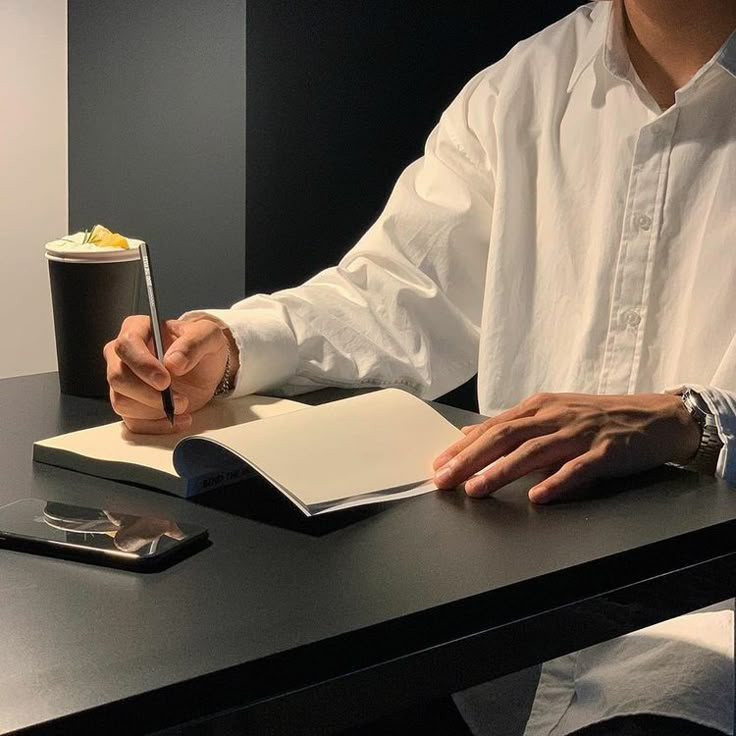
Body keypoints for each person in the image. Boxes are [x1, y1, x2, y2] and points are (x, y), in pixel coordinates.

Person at [104, 0, 736, 733]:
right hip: (500, 622)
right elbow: (398, 291)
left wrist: (695, 420)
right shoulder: (525, 86)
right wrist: (227, 349)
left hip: (708, 633)